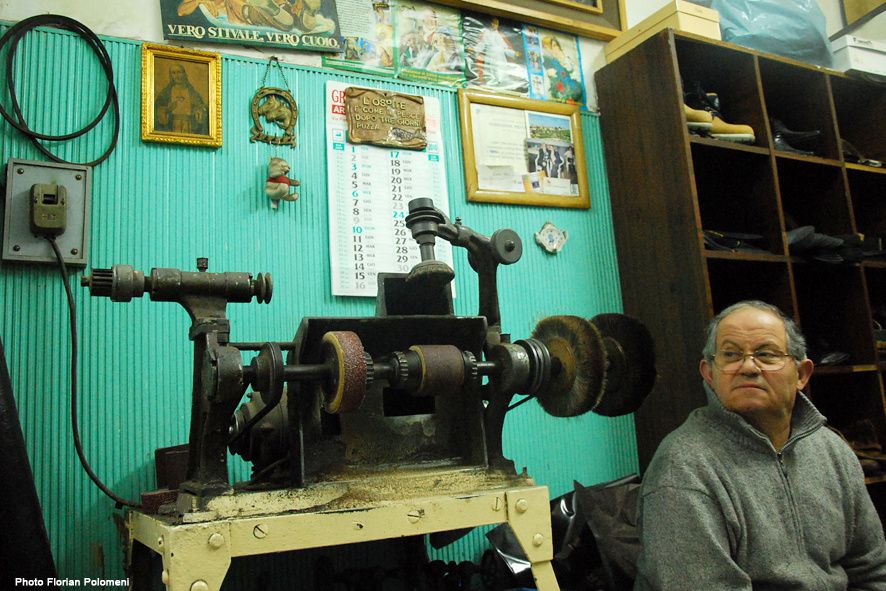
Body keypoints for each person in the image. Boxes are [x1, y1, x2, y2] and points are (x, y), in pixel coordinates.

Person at [634, 300, 886, 590]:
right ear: (709, 373)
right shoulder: (683, 468)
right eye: (730, 355)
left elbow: (872, 570)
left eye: (766, 354)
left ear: (801, 374)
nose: (748, 367)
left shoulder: (832, 451)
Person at [154, 63, 208, 135]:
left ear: (184, 74)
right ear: (171, 76)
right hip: (171, 126)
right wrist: (167, 109)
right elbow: (157, 109)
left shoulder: (192, 93)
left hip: (190, 126)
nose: (177, 76)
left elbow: (202, 108)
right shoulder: (166, 93)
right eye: (174, 73)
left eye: (179, 72)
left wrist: (198, 110)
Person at [471, 17, 518, 87]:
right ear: (491, 24)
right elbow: (481, 45)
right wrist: (474, 49)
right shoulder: (486, 33)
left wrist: (513, 53)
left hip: (500, 58)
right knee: (491, 75)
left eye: (496, 24)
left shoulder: (499, 35)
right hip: (490, 56)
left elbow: (504, 48)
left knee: (501, 74)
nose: (495, 25)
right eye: (494, 23)